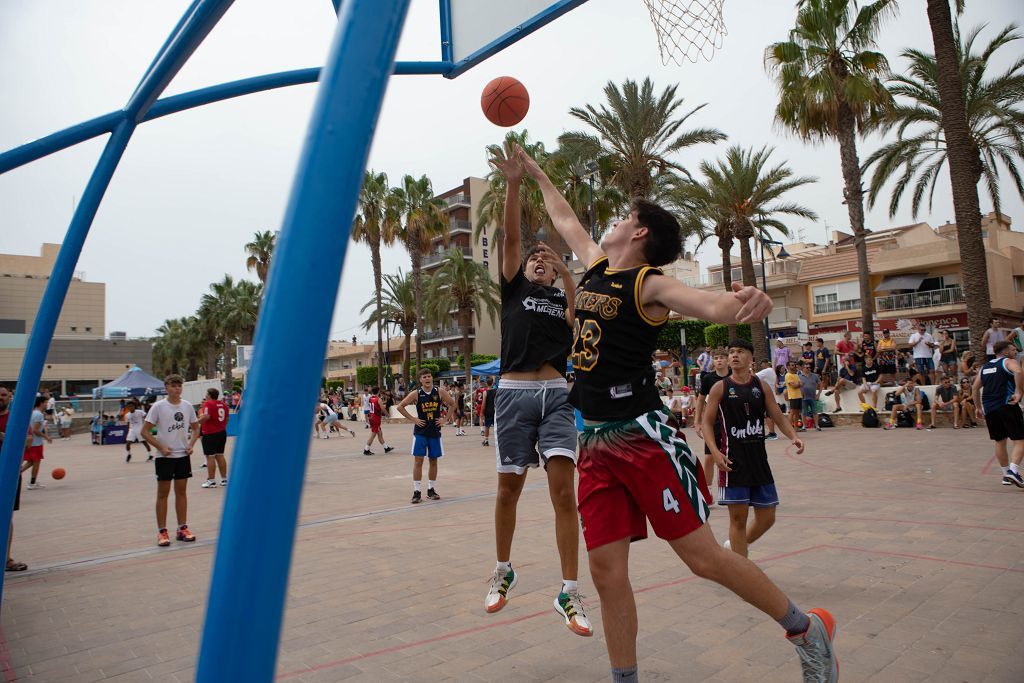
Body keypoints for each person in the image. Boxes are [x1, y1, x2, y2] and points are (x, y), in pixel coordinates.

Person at [517, 144, 837, 683]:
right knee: (606, 572)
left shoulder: (650, 285)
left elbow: (711, 305)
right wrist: (531, 169)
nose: (614, 221)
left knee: (703, 558)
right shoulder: (596, 267)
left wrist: (744, 301)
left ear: (639, 233)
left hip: (642, 437)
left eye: (624, 216)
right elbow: (564, 216)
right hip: (592, 440)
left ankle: (806, 630)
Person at [483, 143, 590, 636]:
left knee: (563, 494)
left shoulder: (558, 299)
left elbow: (578, 309)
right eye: (534, 261)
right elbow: (509, 239)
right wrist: (512, 183)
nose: (538, 263)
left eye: (545, 261)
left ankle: (569, 591)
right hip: (513, 395)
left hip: (556, 397)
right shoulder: (515, 292)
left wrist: (566, 272)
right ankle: (503, 570)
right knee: (509, 490)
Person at [704, 340, 805, 558]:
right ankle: (741, 568)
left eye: (740, 352)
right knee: (738, 519)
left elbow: (776, 415)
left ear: (751, 358)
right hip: (733, 462)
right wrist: (714, 450)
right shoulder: (720, 387)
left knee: (767, 517)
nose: (734, 356)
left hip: (758, 460)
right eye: (731, 352)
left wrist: (793, 436)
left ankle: (735, 546)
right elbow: (706, 422)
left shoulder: (761, 386)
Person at [142, 375, 200, 546]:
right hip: (165, 457)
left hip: (182, 456)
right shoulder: (158, 407)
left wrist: (190, 444)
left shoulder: (187, 406)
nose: (177, 388)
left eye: (179, 385)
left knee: (181, 493)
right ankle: (162, 532)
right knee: (163, 494)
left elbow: (196, 428)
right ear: (166, 387)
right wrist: (160, 447)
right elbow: (145, 432)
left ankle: (182, 528)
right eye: (173, 385)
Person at [396, 370, 455, 503]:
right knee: (418, 461)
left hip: (434, 431)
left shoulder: (439, 391)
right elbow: (400, 407)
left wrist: (445, 419)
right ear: (420, 380)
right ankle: (417, 492)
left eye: (429, 376)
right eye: (424, 377)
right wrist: (413, 419)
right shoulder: (416, 393)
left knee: (433, 461)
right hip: (420, 432)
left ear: (432, 378)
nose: (427, 378)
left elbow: (452, 404)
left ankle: (431, 489)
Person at [974, 341, 1024, 487]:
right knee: (1020, 440)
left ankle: (1005, 474)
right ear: (1006, 351)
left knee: (1000, 441)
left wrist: (978, 407)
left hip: (989, 409)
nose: (1015, 352)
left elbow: (975, 388)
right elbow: (1019, 371)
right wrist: (1018, 392)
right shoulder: (1008, 361)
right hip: (1007, 405)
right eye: (1013, 349)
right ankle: (1013, 471)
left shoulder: (985, 367)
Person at [694, 348, 731, 495]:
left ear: (727, 360)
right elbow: (701, 400)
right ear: (713, 361)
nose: (719, 360)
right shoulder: (708, 378)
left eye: (722, 357)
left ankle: (733, 488)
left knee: (732, 456)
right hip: (714, 421)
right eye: (716, 358)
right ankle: (706, 491)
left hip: (732, 421)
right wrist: (697, 422)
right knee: (709, 457)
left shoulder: (734, 376)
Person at [0, 387, 28, 572]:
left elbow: (28, 440)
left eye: (3, 395)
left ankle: (6, 559)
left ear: (10, 397)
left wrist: (4, 437)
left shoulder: (15, 418)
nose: (0, 398)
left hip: (8, 473)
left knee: (6, 516)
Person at [198, 388, 230, 488]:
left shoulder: (208, 403)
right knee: (220, 455)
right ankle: (224, 479)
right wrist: (222, 426)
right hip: (222, 432)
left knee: (210, 456)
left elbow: (206, 416)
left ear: (210, 395)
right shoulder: (223, 405)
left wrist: (196, 422)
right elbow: (227, 418)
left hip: (210, 433)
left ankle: (211, 480)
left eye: (207, 394)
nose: (205, 396)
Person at [24, 396, 52, 489]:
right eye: (46, 402)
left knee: (30, 462)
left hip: (31, 442)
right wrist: (46, 437)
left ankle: (14, 476)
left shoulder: (32, 412)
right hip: (36, 443)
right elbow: (35, 430)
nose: (47, 404)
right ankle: (32, 483)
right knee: (36, 462)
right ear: (41, 403)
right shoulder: (38, 415)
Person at [363, 386, 394, 456]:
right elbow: (382, 408)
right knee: (373, 434)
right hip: (375, 418)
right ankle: (366, 449)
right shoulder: (378, 399)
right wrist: (388, 415)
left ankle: (386, 448)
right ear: (378, 391)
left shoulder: (370, 398)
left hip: (371, 417)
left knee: (380, 433)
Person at [754, 359, 780, 440]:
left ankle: (772, 433)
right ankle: (772, 432)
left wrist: (751, 369)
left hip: (767, 396)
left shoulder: (767, 370)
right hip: (771, 395)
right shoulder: (772, 371)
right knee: (770, 415)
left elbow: (754, 376)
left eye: (762, 364)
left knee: (768, 415)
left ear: (765, 364)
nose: (761, 366)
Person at [798, 361, 821, 431]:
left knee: (815, 411)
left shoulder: (814, 376)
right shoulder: (799, 376)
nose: (809, 369)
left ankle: (817, 425)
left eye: (809, 367)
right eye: (807, 367)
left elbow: (821, 384)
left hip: (813, 397)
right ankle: (804, 426)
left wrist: (818, 394)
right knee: (803, 412)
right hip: (803, 397)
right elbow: (797, 386)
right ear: (803, 368)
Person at [784, 360, 803, 431]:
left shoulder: (796, 375)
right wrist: (798, 384)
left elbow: (801, 384)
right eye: (792, 365)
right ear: (788, 366)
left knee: (797, 412)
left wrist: (798, 384)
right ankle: (789, 428)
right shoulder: (788, 375)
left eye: (794, 365)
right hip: (793, 396)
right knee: (792, 412)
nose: (793, 366)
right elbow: (794, 386)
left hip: (798, 395)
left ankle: (796, 427)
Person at [479, 376, 496, 446]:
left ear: (486, 383)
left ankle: (486, 441)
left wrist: (482, 412)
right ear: (492, 383)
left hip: (488, 411)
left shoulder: (485, 392)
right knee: (496, 426)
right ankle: (498, 439)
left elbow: (483, 403)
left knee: (487, 426)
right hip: (495, 410)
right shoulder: (496, 391)